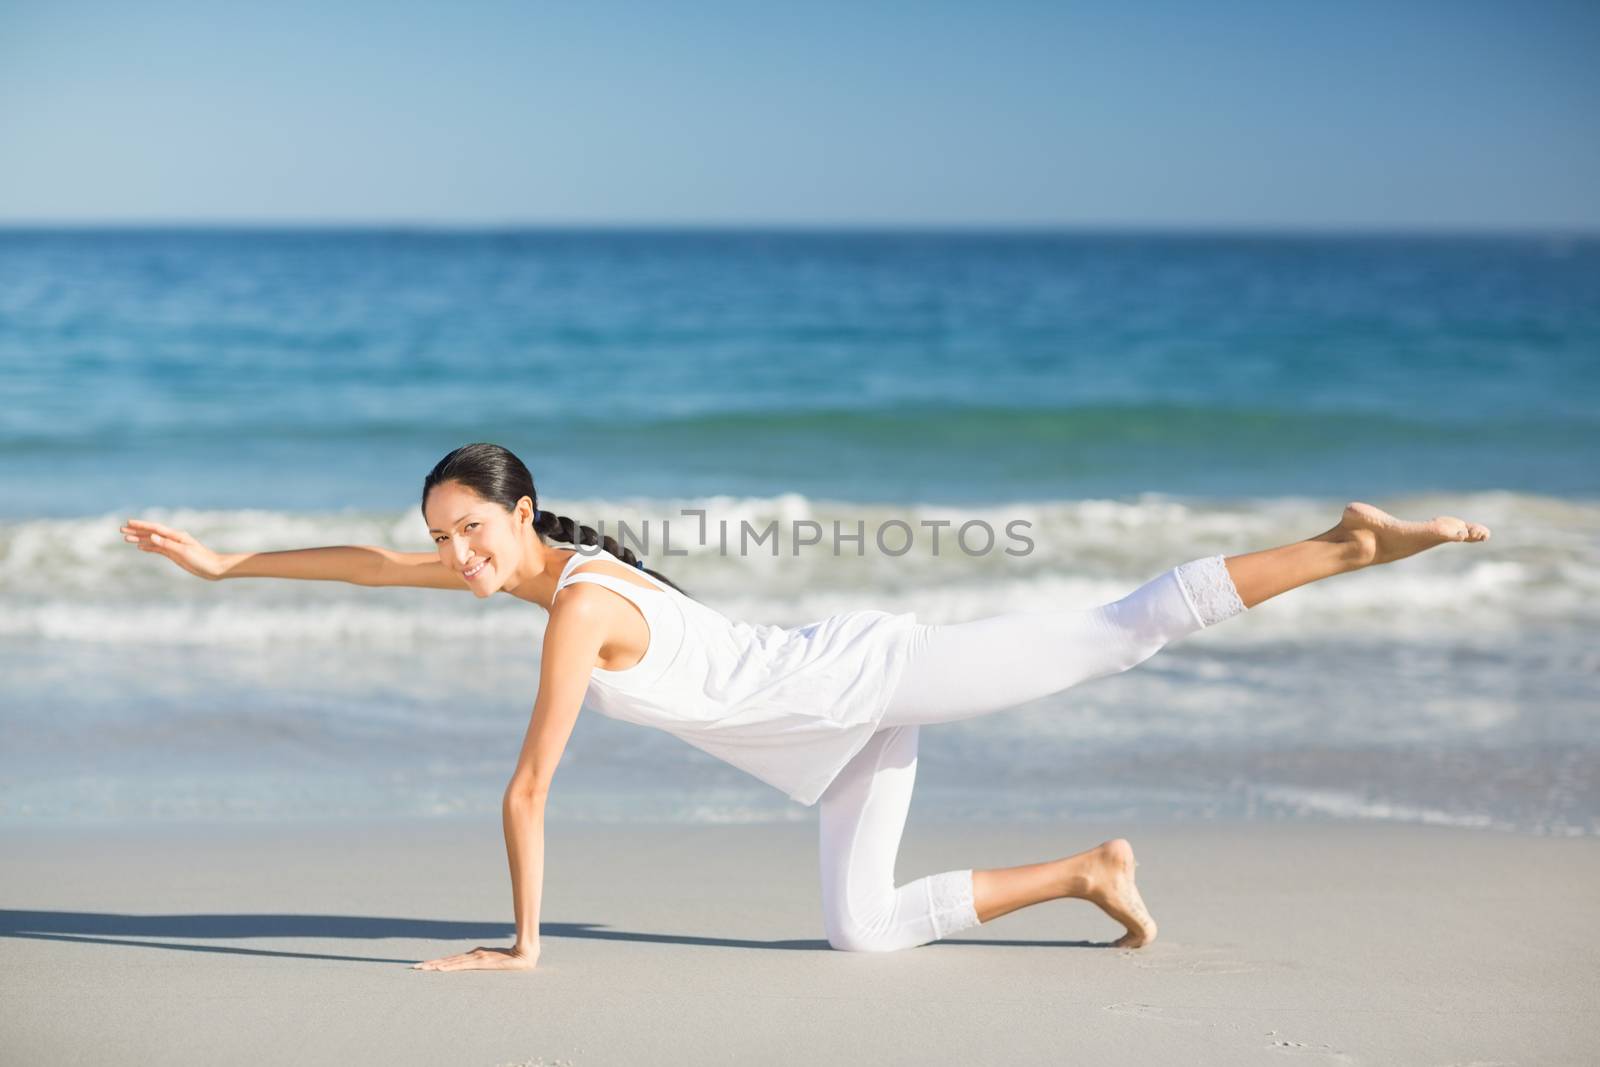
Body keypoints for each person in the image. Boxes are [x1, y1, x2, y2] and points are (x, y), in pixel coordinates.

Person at [120, 442, 1492, 972]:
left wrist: (525, 947)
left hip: (865, 676)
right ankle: (1091, 871)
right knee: (862, 934)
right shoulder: (535, 574)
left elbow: (529, 786)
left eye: (472, 532)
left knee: (1113, 635)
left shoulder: (582, 604)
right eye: (445, 538)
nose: (455, 557)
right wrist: (233, 559)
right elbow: (371, 566)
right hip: (833, 734)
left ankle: (1346, 543)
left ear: (521, 514)